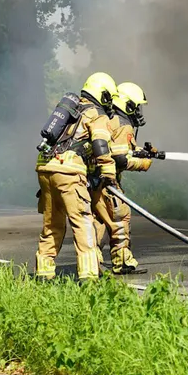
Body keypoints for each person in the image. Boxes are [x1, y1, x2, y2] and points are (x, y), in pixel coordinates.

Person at [34, 72, 119, 282]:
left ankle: (43, 273)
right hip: (69, 171)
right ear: (104, 95)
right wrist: (108, 172)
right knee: (83, 222)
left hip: (45, 167)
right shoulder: (96, 115)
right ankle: (89, 277)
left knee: (52, 223)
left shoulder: (72, 111)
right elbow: (100, 144)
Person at [91, 81, 156, 275]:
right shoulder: (124, 125)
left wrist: (141, 152)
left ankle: (91, 264)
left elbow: (116, 149)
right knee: (120, 217)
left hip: (94, 181)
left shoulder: (110, 120)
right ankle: (121, 261)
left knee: (98, 221)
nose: (138, 112)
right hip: (107, 182)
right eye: (137, 106)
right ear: (128, 104)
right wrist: (143, 163)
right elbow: (120, 159)